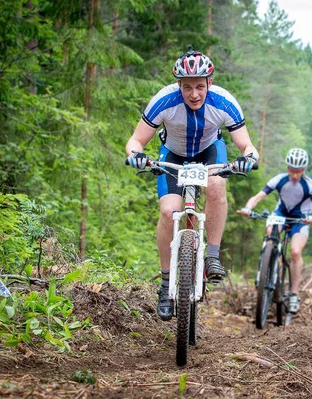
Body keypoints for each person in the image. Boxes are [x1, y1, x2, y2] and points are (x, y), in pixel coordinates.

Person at [126, 46, 259, 321]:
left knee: (217, 186)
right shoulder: (164, 101)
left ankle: (212, 255)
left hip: (210, 152)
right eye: (187, 87)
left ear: (210, 82)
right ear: (179, 85)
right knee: (168, 211)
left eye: (200, 86)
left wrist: (248, 158)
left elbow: (247, 145)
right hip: (173, 154)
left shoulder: (224, 102)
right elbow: (136, 141)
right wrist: (136, 156)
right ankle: (165, 285)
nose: (194, 94)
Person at [238, 148, 312, 314]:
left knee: (295, 251)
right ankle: (268, 262)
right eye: (291, 170)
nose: (294, 175)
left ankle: (293, 294)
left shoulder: (310, 185)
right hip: (280, 214)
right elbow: (257, 197)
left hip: (301, 219)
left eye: (298, 171)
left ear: (304, 170)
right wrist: (248, 208)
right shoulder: (279, 179)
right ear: (287, 168)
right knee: (270, 232)